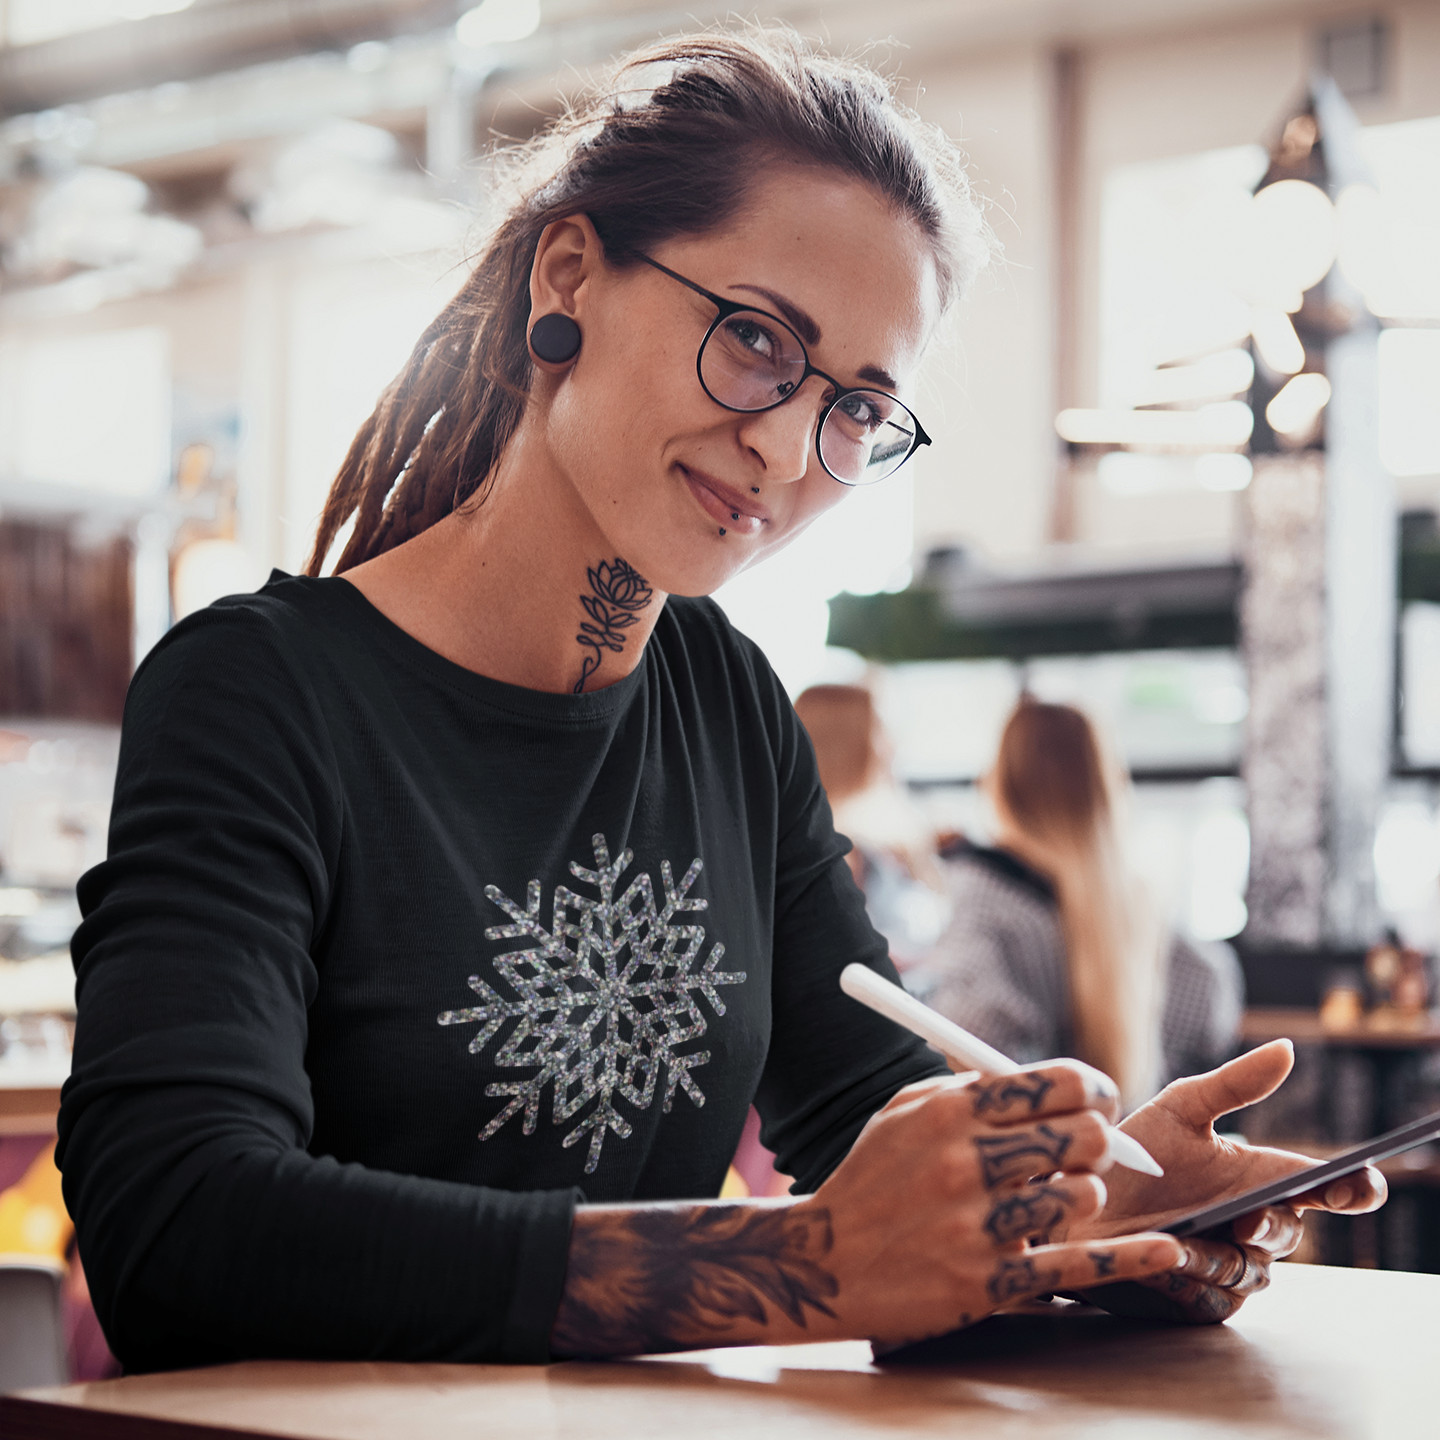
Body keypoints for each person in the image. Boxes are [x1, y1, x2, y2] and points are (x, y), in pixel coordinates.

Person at [58, 28, 1381, 1373]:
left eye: (857, 410)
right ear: (569, 277)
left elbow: (864, 1099)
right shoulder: (262, 689)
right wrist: (791, 1268)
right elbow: (174, 1225)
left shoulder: (729, 700)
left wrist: (1084, 1208)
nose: (788, 448)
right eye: (756, 339)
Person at [916, 699, 1242, 1111]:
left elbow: (964, 1041)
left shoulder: (986, 895)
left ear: (999, 785)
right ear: (1108, 785)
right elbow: (1213, 1004)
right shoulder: (1145, 909)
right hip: (1133, 1140)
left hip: (1030, 1143)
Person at [793, 684, 949, 970]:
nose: (891, 745)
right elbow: (847, 959)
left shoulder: (872, 844)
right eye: (878, 728)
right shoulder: (831, 852)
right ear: (843, 741)